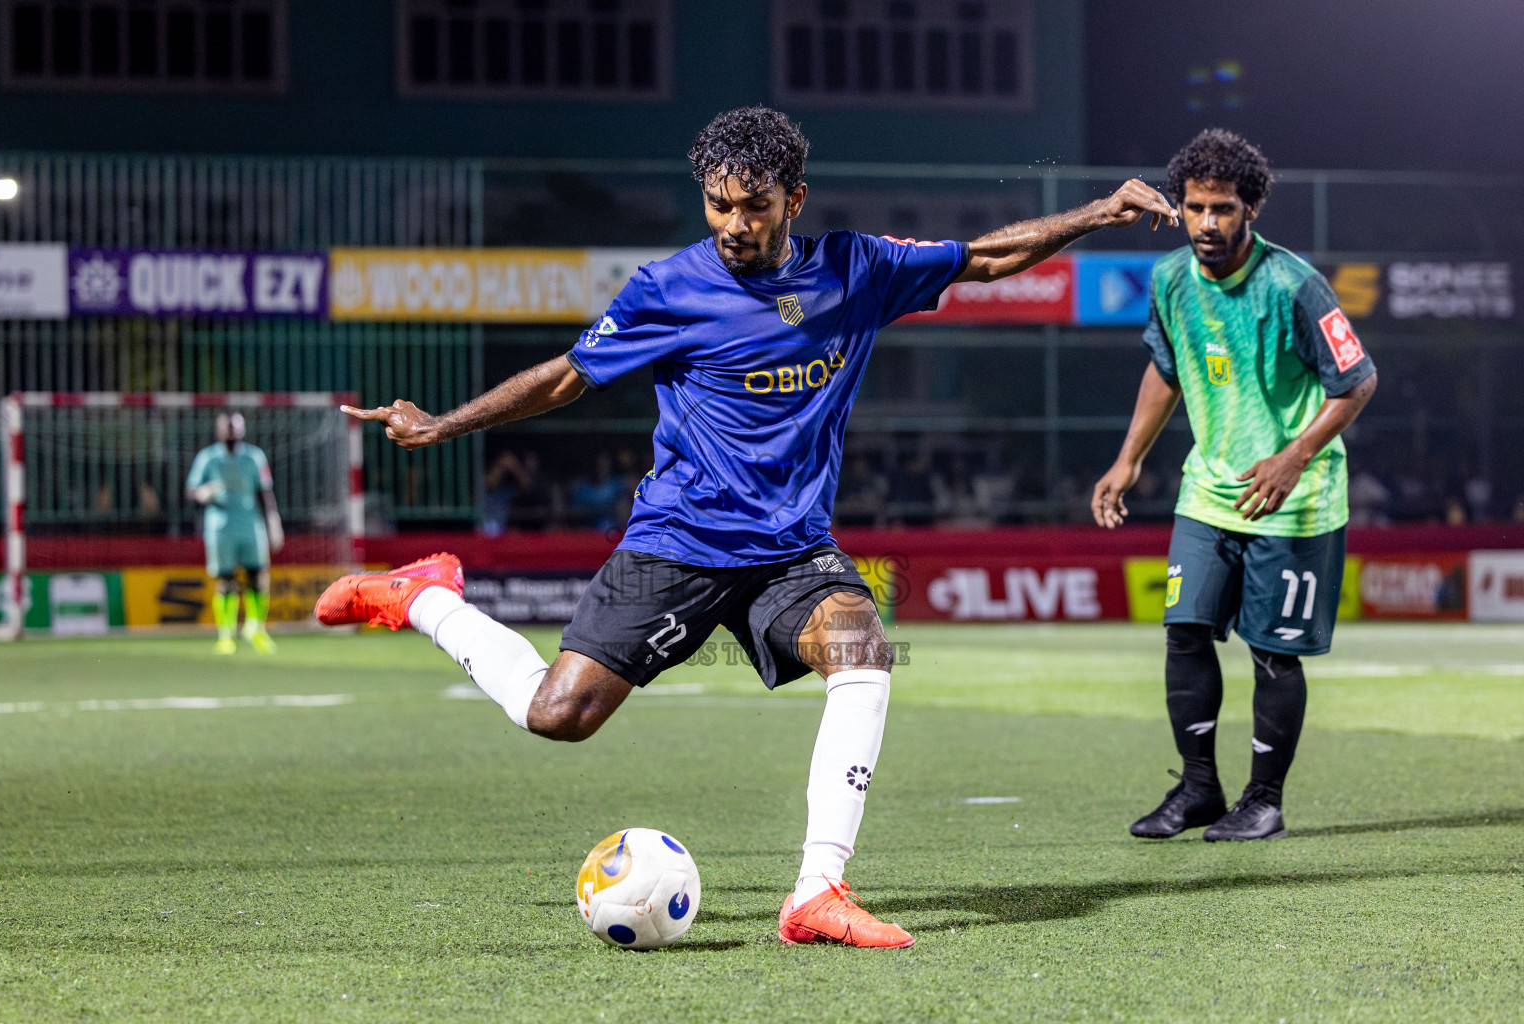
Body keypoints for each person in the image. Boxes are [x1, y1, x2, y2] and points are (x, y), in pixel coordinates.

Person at [317, 106, 1177, 946]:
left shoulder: (856, 270)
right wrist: (441, 425)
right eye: (719, 204)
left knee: (863, 652)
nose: (734, 222)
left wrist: (1101, 209)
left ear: (793, 199)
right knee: (558, 715)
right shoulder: (669, 288)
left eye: (754, 204)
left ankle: (818, 890)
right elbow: (566, 378)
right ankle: (427, 598)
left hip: (792, 553)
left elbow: (986, 258)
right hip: (679, 541)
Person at [1091, 129, 1378, 842]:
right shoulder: (1169, 281)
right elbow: (1166, 369)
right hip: (1209, 490)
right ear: (1180, 208)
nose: (1207, 223)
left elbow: (1358, 379)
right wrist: (1127, 459)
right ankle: (1198, 791)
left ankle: (1265, 799)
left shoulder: (1294, 284)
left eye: (1222, 209)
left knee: (1273, 650)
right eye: (1194, 208)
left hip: (1293, 500)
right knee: (1184, 632)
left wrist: (1296, 456)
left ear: (1251, 209)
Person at [186, 412, 285, 655]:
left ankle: (256, 629)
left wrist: (273, 520)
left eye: (235, 428)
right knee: (225, 580)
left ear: (242, 430)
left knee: (258, 576)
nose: (231, 432)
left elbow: (265, 491)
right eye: (226, 428)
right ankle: (226, 635)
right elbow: (192, 489)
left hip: (251, 525)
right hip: (220, 526)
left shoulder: (254, 456)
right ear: (219, 431)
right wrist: (203, 493)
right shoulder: (208, 458)